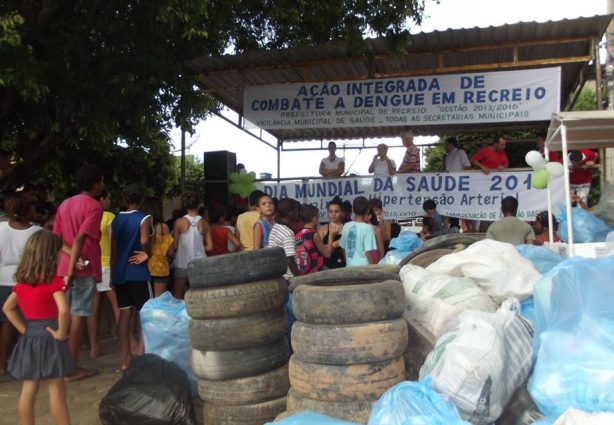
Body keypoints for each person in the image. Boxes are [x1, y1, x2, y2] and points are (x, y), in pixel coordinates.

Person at [2, 230, 74, 425]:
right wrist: (61, 333)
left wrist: (24, 330)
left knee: (28, 389)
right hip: (51, 337)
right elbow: (64, 310)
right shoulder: (53, 281)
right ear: (50, 255)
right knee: (56, 390)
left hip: (30, 337)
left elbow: (7, 308)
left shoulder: (22, 282)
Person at [53, 164, 104, 382]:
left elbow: (57, 239)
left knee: (62, 317)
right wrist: (78, 262)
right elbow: (81, 238)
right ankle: (70, 369)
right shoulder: (94, 206)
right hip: (82, 269)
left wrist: (69, 263)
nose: (103, 185)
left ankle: (60, 366)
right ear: (95, 185)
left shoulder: (64, 204)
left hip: (63, 268)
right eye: (101, 181)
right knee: (78, 316)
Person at [111, 183, 153, 370]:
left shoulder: (116, 219)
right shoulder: (144, 218)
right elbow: (144, 240)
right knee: (145, 313)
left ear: (123, 199)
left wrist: (114, 272)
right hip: (138, 271)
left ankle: (125, 359)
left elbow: (114, 249)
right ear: (142, 199)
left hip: (121, 270)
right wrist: (148, 253)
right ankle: (142, 353)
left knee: (124, 314)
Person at [0, 195, 43, 374]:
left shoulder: (1, 228)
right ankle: (27, 363)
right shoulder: (36, 232)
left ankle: (2, 365)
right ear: (28, 211)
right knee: (28, 324)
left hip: (2, 280)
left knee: (7, 323)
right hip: (26, 281)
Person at [86, 188, 119, 359]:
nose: (110, 202)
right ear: (102, 199)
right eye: (108, 198)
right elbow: (114, 242)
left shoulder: (86, 215)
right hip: (105, 264)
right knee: (117, 303)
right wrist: (115, 263)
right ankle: (124, 339)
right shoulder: (108, 216)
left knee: (93, 307)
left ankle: (94, 347)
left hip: (90, 265)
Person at [171, 192, 212, 299]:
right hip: (200, 263)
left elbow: (175, 245)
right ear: (198, 205)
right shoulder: (205, 223)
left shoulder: (178, 222)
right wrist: (198, 247)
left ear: (184, 206)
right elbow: (210, 247)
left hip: (183, 263)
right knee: (198, 296)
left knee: (177, 296)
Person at [141, 197, 174, 297]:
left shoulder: (144, 227)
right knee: (158, 304)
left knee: (145, 304)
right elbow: (171, 251)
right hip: (161, 269)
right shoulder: (164, 227)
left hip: (145, 267)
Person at [295, 205, 338, 275]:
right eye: (318, 217)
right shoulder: (314, 235)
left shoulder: (298, 235)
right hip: (314, 273)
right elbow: (327, 254)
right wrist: (331, 236)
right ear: (314, 218)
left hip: (303, 272)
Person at [265, 198, 300, 280]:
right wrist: (299, 278)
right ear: (290, 213)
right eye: (297, 210)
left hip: (278, 274)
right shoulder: (287, 233)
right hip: (288, 278)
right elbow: (290, 260)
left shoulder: (276, 227)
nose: (298, 213)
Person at [442, 137, 470, 229]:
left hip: (459, 185)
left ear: (450, 144)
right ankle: (452, 226)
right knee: (450, 205)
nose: (445, 147)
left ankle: (460, 226)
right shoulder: (448, 156)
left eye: (446, 144)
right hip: (449, 186)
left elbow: (467, 166)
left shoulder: (460, 153)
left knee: (459, 205)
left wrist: (460, 178)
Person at [340, 196, 377, 266]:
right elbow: (368, 252)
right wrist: (373, 268)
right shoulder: (368, 228)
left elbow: (343, 248)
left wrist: (348, 262)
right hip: (364, 269)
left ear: (352, 209)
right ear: (367, 211)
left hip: (350, 268)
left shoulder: (346, 226)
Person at [318, 196, 346, 269]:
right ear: (327, 212)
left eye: (336, 211)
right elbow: (318, 250)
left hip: (345, 265)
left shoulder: (347, 228)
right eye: (331, 211)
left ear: (341, 212)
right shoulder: (322, 229)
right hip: (327, 266)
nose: (333, 214)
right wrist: (334, 244)